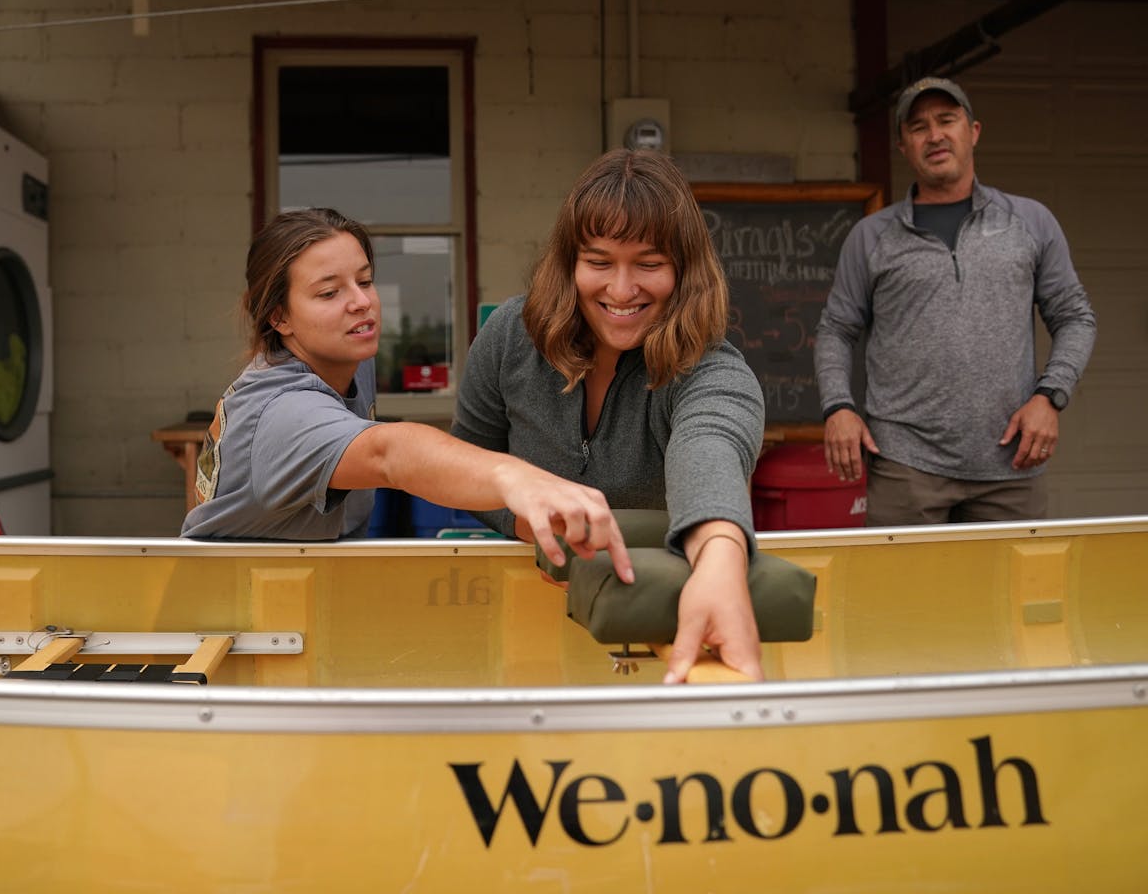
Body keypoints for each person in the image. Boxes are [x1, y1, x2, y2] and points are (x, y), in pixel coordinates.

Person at [451, 149, 767, 683]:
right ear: (569, 262)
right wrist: (525, 520)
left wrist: (719, 560)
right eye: (599, 262)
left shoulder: (710, 370)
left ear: (684, 269)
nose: (621, 290)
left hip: (658, 633)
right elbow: (465, 461)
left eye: (649, 263)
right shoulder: (509, 336)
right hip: (524, 623)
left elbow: (710, 447)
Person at [181, 207, 632, 581]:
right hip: (234, 618)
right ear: (279, 317)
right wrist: (515, 478)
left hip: (297, 597)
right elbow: (387, 453)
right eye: (328, 292)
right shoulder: (283, 413)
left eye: (365, 279)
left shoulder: (348, 357)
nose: (361, 301)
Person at [814, 76, 1096, 525]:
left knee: (1013, 596)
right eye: (918, 126)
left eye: (947, 120)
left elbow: (1075, 317)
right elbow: (836, 329)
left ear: (974, 132)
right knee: (903, 594)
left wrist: (1050, 397)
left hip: (1011, 464)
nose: (935, 135)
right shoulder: (871, 236)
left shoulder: (1031, 221)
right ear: (903, 146)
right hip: (905, 466)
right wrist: (838, 407)